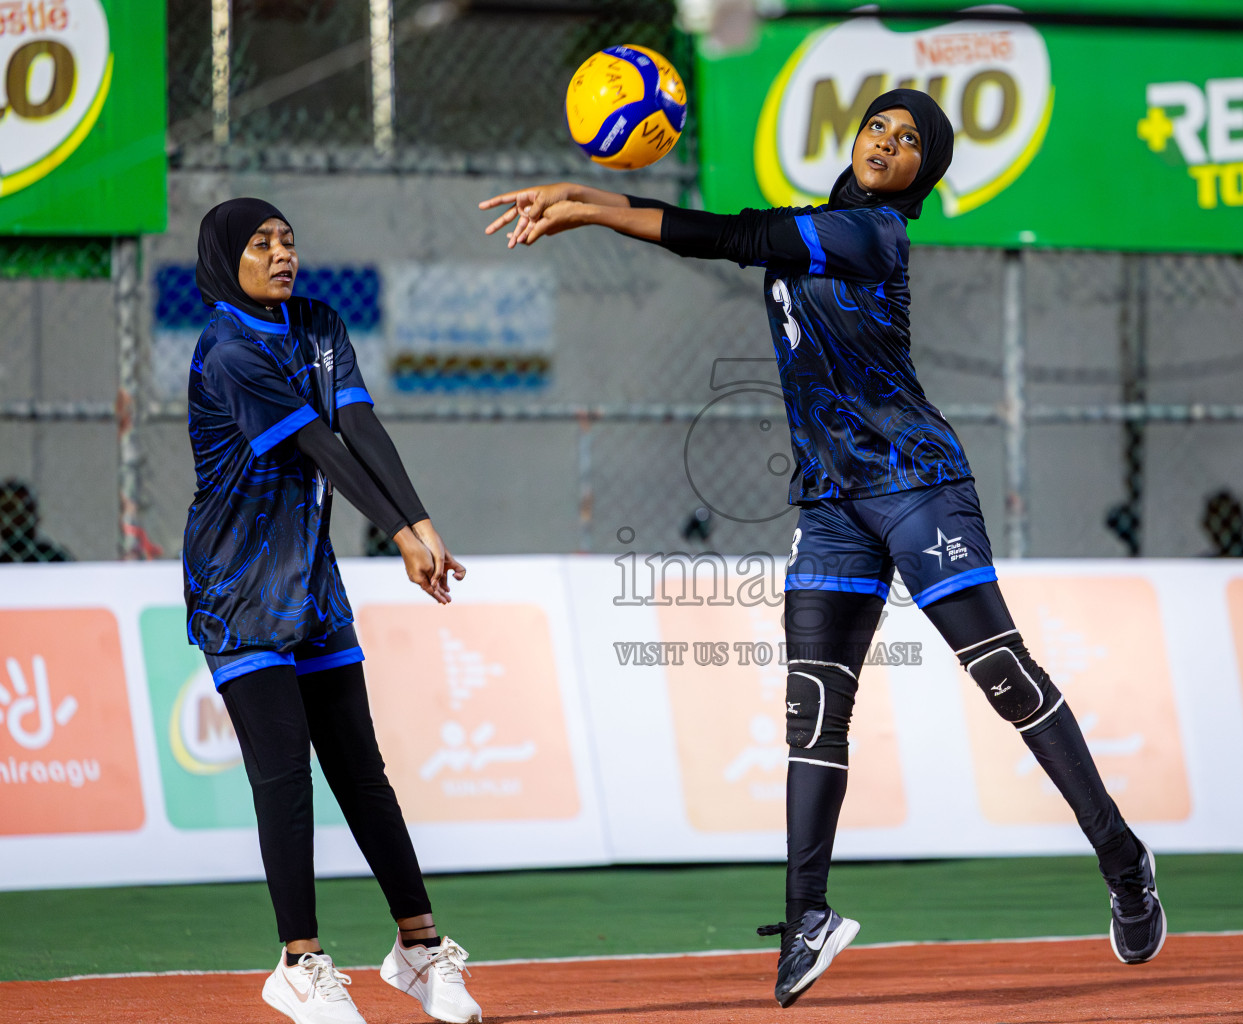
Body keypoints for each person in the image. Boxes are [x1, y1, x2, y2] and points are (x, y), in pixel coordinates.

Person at [480, 89, 1164, 1005]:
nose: (888, 140)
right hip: (833, 497)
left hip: (916, 480)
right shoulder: (821, 221)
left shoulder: (872, 232)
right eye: (879, 125)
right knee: (812, 706)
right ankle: (805, 914)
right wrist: (593, 203)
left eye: (910, 138)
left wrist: (596, 205)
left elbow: (734, 236)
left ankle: (1123, 861)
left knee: (1004, 675)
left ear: (925, 171)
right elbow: (743, 236)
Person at [184, 198, 482, 1023]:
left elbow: (358, 425)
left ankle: (419, 949)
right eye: (260, 244)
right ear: (225, 259)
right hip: (238, 586)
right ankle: (300, 962)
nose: (281, 255)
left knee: (361, 770)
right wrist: (394, 530)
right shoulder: (227, 350)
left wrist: (420, 523)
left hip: (310, 583)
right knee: (283, 776)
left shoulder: (317, 322)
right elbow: (315, 442)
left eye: (287, 241)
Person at [0, 480, 71, 562]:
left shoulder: (56, 558)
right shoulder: (4, 561)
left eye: (26, 507)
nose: (15, 518)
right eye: (7, 509)